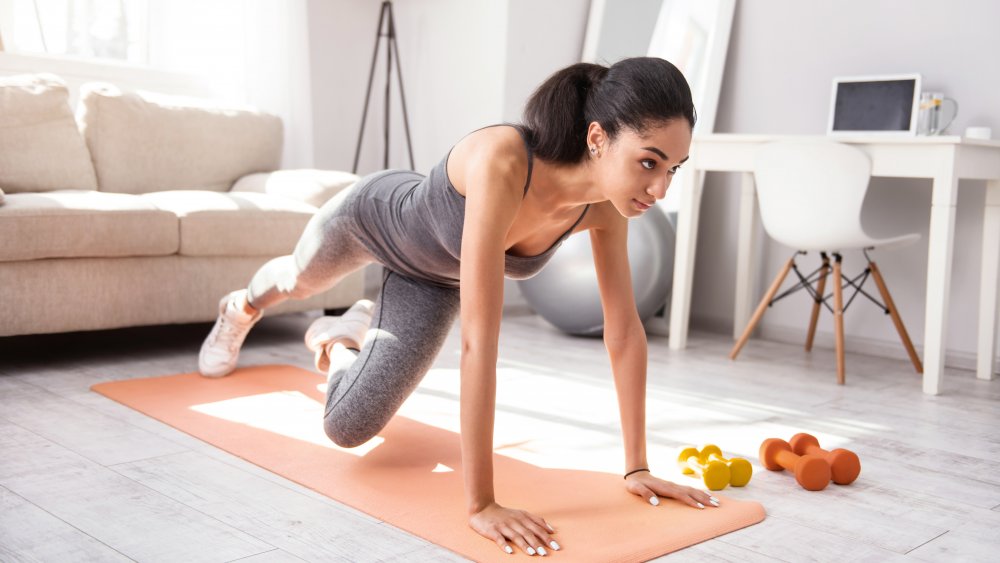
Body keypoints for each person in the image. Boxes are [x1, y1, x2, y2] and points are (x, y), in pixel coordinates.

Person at [198, 56, 718, 556]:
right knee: (296, 280)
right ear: (598, 138)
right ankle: (240, 307)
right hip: (375, 217)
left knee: (346, 427)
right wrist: (481, 503)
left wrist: (637, 467)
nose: (660, 188)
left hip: (432, 282)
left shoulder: (606, 211)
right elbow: (478, 344)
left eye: (674, 168)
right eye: (649, 162)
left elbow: (624, 332)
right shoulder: (505, 160)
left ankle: (339, 340)